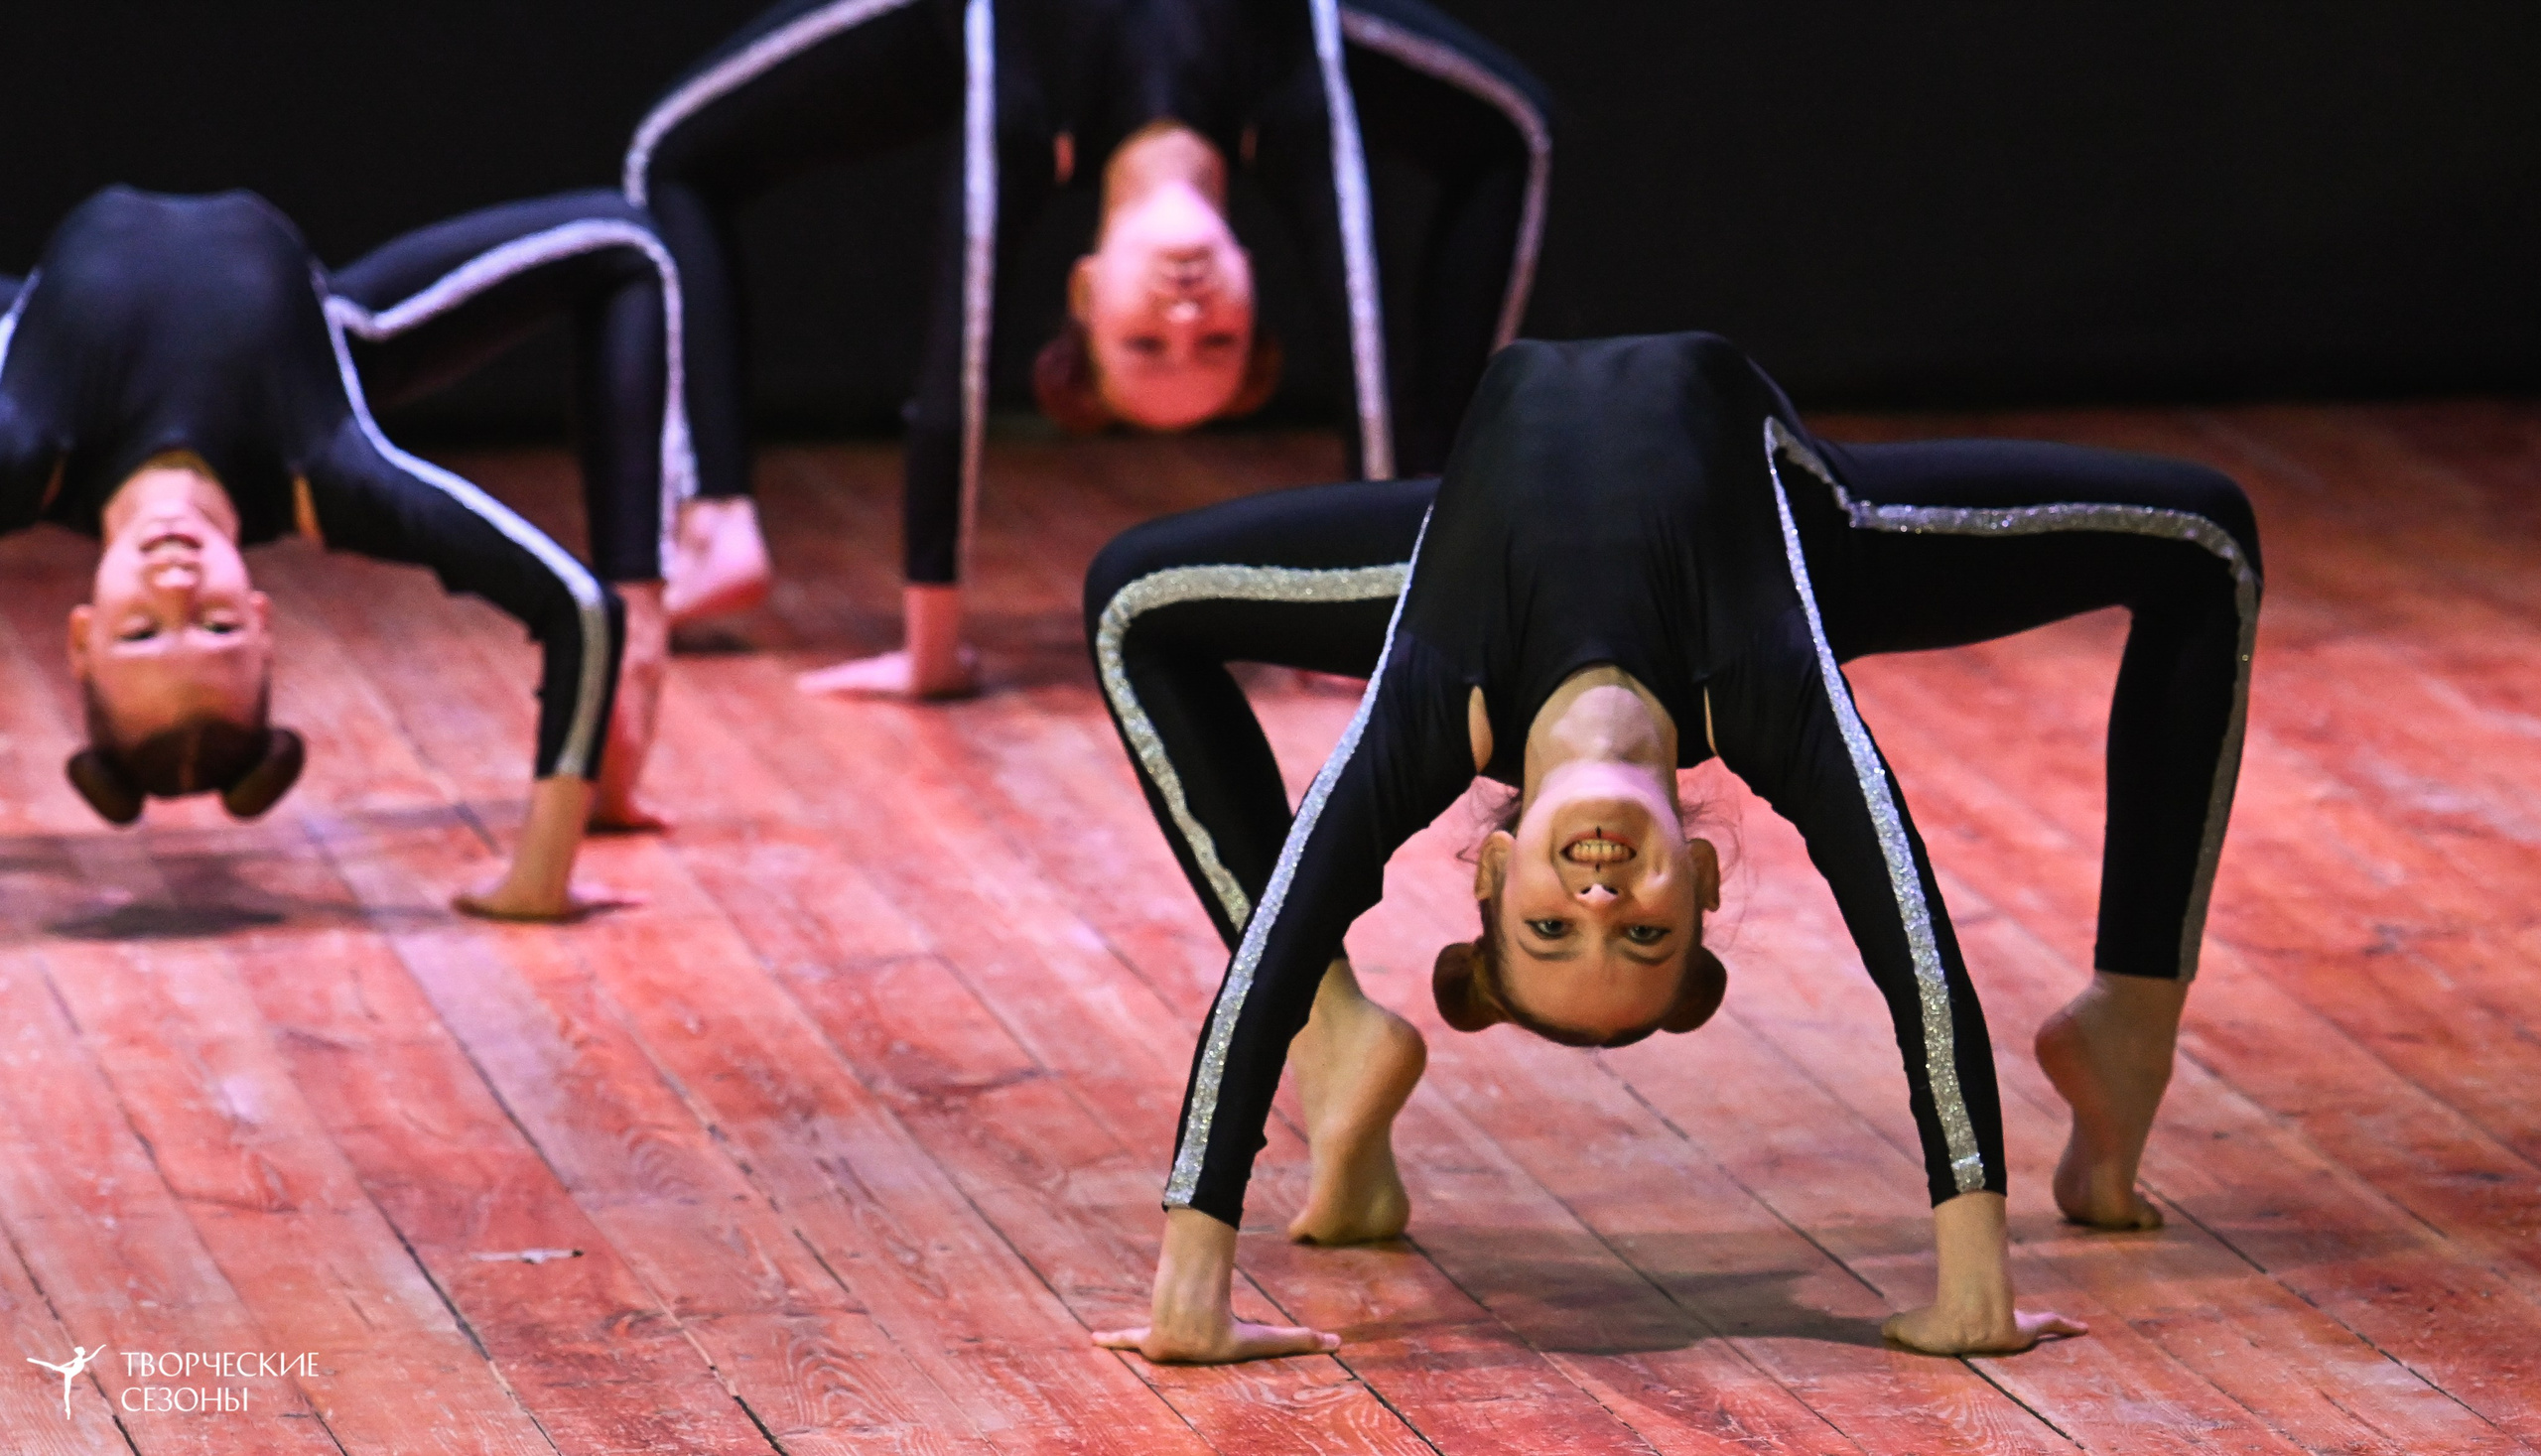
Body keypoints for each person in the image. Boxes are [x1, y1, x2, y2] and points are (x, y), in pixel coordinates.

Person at [1081, 331, 2260, 1361]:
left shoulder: (1438, 689)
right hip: (1814, 543)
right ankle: (2130, 1026)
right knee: (2203, 537)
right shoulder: (1759, 677)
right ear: (1698, 880)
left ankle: (1333, 1038)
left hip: (1470, 550)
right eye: (1644, 933)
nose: (1598, 900)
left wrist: (1191, 1294)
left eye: (1549, 927)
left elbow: (1282, 939)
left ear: (1493, 870)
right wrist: (1973, 1291)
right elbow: (1908, 934)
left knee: (1134, 599)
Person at [627, 0, 1550, 697]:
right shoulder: (1290, 94)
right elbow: (1364, 339)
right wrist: (1392, 599)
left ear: (1084, 290)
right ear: (1253, 280)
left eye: (1144, 341)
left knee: (671, 151)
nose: (1184, 313)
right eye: (1217, 339)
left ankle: (715, 516)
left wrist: (931, 649)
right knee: (1516, 128)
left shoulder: (1028, 114)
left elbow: (956, 369)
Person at [0, 185, 694, 917]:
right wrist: (541, 880)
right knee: (625, 243)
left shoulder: (22, 459)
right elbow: (579, 605)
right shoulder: (327, 470)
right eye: (216, 625)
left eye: (142, 631)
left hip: (27, 332)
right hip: (323, 339)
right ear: (262, 621)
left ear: (82, 637)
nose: (175, 582)